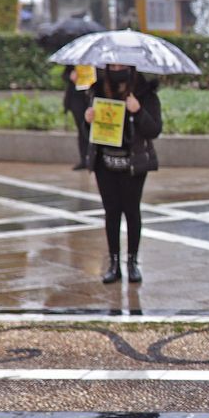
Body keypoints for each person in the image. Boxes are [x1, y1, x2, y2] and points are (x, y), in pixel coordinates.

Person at [84, 64, 161, 285]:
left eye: (122, 65)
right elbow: (89, 133)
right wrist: (87, 120)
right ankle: (114, 264)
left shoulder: (145, 93)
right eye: (113, 65)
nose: (117, 68)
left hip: (133, 164)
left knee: (131, 211)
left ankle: (132, 262)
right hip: (105, 163)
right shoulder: (97, 91)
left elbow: (154, 129)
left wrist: (138, 111)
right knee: (111, 212)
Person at [63, 66, 92, 170]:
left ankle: (92, 158)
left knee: (92, 130)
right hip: (76, 97)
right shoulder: (75, 60)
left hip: (91, 96)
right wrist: (71, 76)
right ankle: (84, 159)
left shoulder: (98, 60)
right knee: (82, 129)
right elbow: (65, 74)